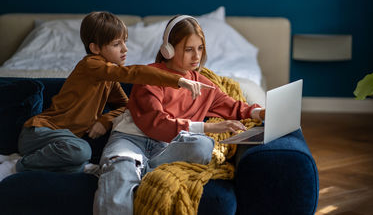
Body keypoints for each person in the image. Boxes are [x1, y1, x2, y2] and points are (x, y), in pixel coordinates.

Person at [93, 15, 265, 215]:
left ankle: (140, 169)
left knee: (203, 145)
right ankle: (123, 168)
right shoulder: (150, 76)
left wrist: (260, 113)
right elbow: (156, 123)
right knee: (120, 174)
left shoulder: (205, 86)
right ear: (169, 50)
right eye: (189, 49)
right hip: (132, 140)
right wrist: (208, 127)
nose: (196, 57)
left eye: (200, 48)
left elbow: (235, 108)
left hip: (165, 148)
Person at [16, 11, 213, 174]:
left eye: (124, 42)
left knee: (79, 163)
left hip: (63, 141)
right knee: (81, 151)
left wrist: (105, 120)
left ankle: (54, 165)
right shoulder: (91, 65)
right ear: (95, 48)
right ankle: (18, 165)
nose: (125, 49)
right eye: (117, 44)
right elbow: (132, 72)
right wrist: (177, 80)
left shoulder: (109, 79)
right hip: (39, 133)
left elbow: (128, 106)